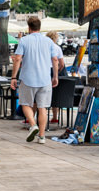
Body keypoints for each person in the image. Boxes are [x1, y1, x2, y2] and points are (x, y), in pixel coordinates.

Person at [11, 16, 62, 145]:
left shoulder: (24, 41)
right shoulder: (49, 42)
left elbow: (18, 59)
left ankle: (33, 124)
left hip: (28, 78)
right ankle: (42, 136)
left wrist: (13, 77)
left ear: (29, 27)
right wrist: (55, 76)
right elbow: (55, 60)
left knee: (25, 104)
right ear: (40, 27)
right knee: (42, 107)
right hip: (45, 79)